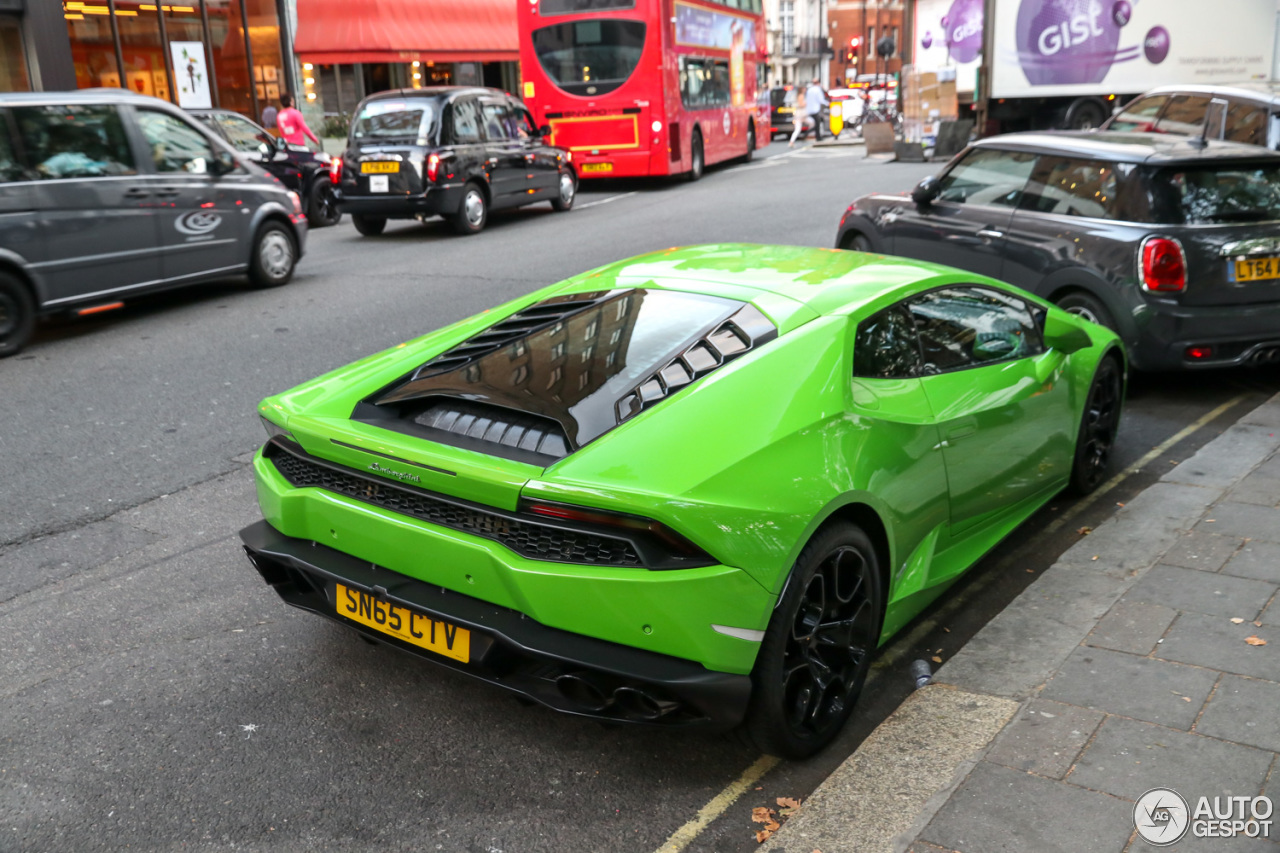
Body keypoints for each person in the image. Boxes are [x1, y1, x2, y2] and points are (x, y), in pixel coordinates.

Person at [804, 77, 827, 142]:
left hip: (809, 109)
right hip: (815, 110)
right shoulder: (818, 90)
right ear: (818, 83)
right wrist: (827, 103)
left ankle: (816, 136)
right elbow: (821, 100)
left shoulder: (809, 90)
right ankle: (815, 136)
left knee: (816, 124)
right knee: (817, 124)